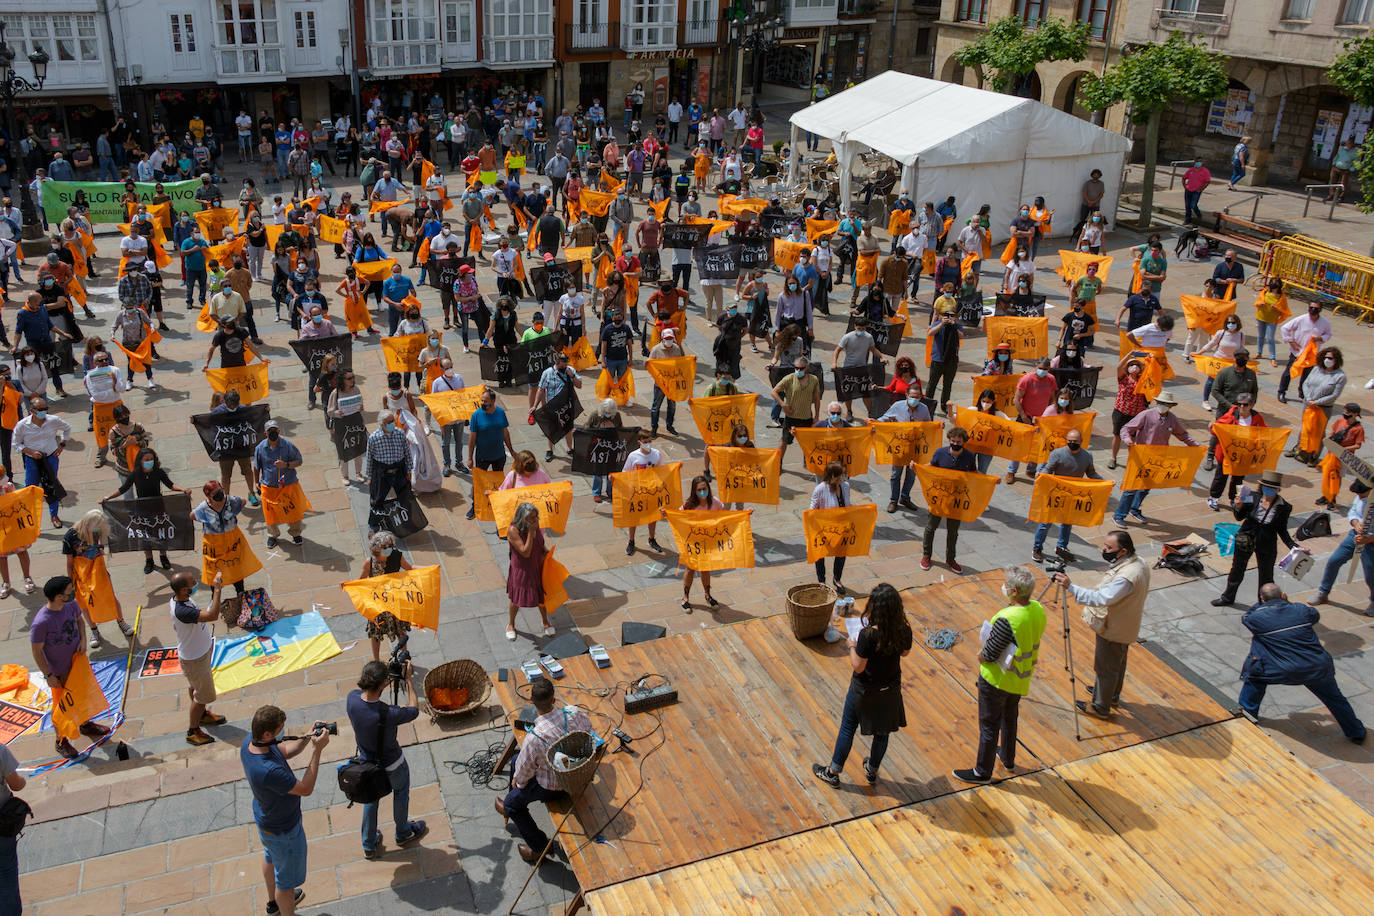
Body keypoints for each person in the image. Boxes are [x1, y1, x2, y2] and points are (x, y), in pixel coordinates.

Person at [952, 565, 1046, 785]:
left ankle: (981, 772)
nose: (1003, 586)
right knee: (1010, 718)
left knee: (989, 725)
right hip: (1020, 678)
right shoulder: (1038, 609)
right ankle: (1008, 758)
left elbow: (990, 653)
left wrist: (980, 655)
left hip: (996, 680)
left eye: (1007, 584)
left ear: (1014, 592)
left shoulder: (1008, 618)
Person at [812, 583, 913, 788]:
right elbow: (905, 653)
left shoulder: (868, 635)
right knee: (882, 732)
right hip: (890, 689)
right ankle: (872, 770)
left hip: (864, 690)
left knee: (848, 727)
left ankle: (832, 772)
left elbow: (858, 666)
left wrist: (851, 646)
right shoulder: (904, 630)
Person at [1238, 583, 1366, 742]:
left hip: (1281, 668)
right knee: (1335, 699)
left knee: (1255, 676)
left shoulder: (1256, 618)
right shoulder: (1301, 610)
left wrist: (1261, 604)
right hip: (1317, 666)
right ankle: (1356, 731)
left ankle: (1247, 716)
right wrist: (1288, 603)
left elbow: (1246, 618)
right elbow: (1314, 615)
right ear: (1283, 594)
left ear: (1262, 598)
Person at [1050, 530, 1149, 720]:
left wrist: (1071, 586)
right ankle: (1110, 695)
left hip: (1114, 626)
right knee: (1117, 662)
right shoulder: (1139, 563)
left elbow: (1102, 598)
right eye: (1105, 545)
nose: (1104, 549)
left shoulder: (1126, 576)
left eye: (1109, 547)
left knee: (1106, 666)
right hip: (1126, 623)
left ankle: (1100, 706)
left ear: (1123, 551)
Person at [241, 705, 330, 916]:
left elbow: (286, 750)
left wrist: (307, 738)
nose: (283, 731)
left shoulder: (250, 743)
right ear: (267, 734)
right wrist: (317, 751)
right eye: (281, 728)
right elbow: (306, 789)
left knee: (270, 858)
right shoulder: (269, 771)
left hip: (267, 821)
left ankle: (273, 904)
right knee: (286, 884)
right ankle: (284, 906)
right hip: (284, 830)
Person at [495, 677, 593, 863]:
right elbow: (588, 729)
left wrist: (518, 782)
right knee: (516, 759)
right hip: (575, 774)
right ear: (554, 700)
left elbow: (524, 773)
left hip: (553, 788)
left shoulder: (535, 737)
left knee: (512, 802)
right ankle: (513, 803)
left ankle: (539, 847)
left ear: (531, 702)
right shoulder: (573, 713)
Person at [346, 660, 429, 860]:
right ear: (383, 684)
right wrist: (408, 680)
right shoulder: (389, 713)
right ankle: (403, 832)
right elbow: (414, 709)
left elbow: (363, 695)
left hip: (367, 765)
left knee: (370, 799)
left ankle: (368, 843)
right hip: (393, 764)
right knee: (401, 794)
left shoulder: (352, 700)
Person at [30, 576, 112, 758]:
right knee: (62, 707)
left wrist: (83, 639)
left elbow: (80, 621)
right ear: (59, 596)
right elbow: (36, 652)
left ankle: (85, 724)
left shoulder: (71, 605)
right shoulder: (41, 622)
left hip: (77, 663)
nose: (72, 592)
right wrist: (48, 675)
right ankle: (61, 741)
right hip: (58, 671)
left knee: (81, 694)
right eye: (69, 590)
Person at [1213, 470, 1299, 607]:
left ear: (1277, 490)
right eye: (1266, 487)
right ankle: (1227, 597)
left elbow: (1282, 530)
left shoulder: (1284, 507)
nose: (1269, 490)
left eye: (1272, 488)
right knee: (1237, 570)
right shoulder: (1252, 496)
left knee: (1266, 576)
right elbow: (1239, 517)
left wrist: (1293, 546)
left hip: (1267, 542)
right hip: (1246, 538)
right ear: (1262, 487)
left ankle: (1265, 604)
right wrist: (1239, 506)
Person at [1113, 391, 1198, 525]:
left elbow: (1183, 435)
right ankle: (1119, 515)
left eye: (1166, 404)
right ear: (1157, 403)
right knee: (1131, 488)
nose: (1163, 406)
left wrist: (1196, 446)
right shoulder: (1146, 415)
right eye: (1161, 403)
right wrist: (1128, 440)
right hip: (1141, 457)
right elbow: (1126, 429)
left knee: (1146, 487)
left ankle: (1134, 509)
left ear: (1170, 406)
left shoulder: (1172, 419)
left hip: (1158, 459)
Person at [169, 570, 230, 746]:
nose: (196, 584)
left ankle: (201, 714)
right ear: (182, 590)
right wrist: (217, 590)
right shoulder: (182, 610)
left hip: (197, 654)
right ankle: (193, 730)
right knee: (202, 696)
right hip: (195, 659)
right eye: (192, 583)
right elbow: (212, 616)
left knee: (196, 687)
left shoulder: (180, 599)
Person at [63, 510, 135, 646]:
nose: (97, 531)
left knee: (110, 596)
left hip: (98, 569)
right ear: (87, 524)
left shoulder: (95, 530)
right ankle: (94, 630)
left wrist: (101, 548)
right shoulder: (70, 536)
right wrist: (70, 583)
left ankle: (121, 621)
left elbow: (100, 541)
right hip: (81, 574)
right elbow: (69, 563)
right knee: (85, 604)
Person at [1032, 429, 1101, 563]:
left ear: (1081, 441)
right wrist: (1041, 474)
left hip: (1073, 495)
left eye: (1075, 441)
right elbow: (1048, 468)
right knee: (1045, 523)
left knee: (1067, 523)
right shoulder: (1057, 453)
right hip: (1056, 494)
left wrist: (1105, 482)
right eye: (1069, 441)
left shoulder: (1087, 456)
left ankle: (1062, 547)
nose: (1072, 443)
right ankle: (1037, 548)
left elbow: (1092, 473)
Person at [921, 426, 976, 573]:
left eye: (959, 441)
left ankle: (951, 559)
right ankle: (926, 556)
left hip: (957, 499)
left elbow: (975, 474)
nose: (955, 444)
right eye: (953, 441)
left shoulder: (969, 456)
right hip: (940, 497)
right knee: (931, 527)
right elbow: (931, 467)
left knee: (953, 531)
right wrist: (918, 467)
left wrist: (991, 480)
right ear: (949, 440)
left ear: (964, 442)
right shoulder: (940, 453)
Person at [1315, 480, 1374, 615]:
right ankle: (1323, 591)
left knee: (1371, 575)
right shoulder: (1360, 497)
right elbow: (1353, 511)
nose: (1359, 497)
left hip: (1371, 543)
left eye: (1362, 494)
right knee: (1334, 561)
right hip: (1355, 536)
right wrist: (1355, 522)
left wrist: (1368, 539)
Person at [14, 396, 69, 527]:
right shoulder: (22, 425)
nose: (44, 411)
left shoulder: (53, 420)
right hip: (33, 460)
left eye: (45, 408)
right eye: (40, 409)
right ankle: (30, 516)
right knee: (31, 488)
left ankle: (54, 515)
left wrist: (62, 445)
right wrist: (31, 452)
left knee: (52, 486)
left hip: (50, 457)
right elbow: (15, 444)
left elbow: (67, 428)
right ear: (32, 410)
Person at [877, 383, 930, 514]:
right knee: (896, 474)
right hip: (899, 447)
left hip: (915, 448)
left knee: (911, 474)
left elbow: (929, 425)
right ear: (906, 395)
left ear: (921, 397)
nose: (914, 399)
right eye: (912, 396)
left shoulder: (924, 409)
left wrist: (939, 426)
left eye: (917, 397)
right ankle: (893, 500)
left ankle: (905, 497)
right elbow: (884, 418)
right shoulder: (897, 406)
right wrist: (874, 422)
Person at [1005, 359, 1058, 484]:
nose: (1042, 371)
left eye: (1045, 369)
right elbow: (1016, 399)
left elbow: (1052, 398)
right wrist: (1023, 415)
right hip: (1026, 416)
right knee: (1019, 445)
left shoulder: (1050, 379)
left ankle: (1031, 469)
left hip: (1041, 419)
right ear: (1036, 366)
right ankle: (1011, 471)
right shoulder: (1027, 379)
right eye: (1040, 368)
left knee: (1037, 445)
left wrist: (1051, 415)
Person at [506, 502, 554, 640]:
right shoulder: (513, 531)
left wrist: (545, 551)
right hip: (522, 569)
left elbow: (540, 542)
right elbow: (525, 552)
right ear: (522, 518)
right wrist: (531, 533)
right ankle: (511, 624)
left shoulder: (535, 525)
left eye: (536, 517)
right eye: (531, 518)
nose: (535, 520)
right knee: (516, 599)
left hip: (536, 565)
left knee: (541, 596)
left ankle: (545, 621)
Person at [254, 419, 305, 548]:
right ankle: (272, 535)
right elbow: (256, 466)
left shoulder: (288, 445)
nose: (273, 433)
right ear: (265, 433)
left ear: (279, 431)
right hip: (269, 486)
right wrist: (256, 481)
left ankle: (295, 533)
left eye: (275, 430)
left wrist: (286, 465)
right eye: (270, 431)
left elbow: (299, 461)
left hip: (288, 485)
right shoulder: (260, 448)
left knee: (293, 511)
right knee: (269, 514)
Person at [1276, 303, 1332, 405]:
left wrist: (1320, 338)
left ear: (1320, 310)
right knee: (1289, 372)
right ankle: (1281, 392)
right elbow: (1285, 328)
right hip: (1298, 352)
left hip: (1311, 354)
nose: (1313, 310)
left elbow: (1328, 334)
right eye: (1311, 308)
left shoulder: (1324, 322)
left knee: (1307, 375)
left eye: (1316, 308)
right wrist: (1291, 341)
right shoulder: (1301, 319)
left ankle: (1302, 393)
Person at [810, 462, 853, 595]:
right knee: (820, 553)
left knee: (841, 553)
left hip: (841, 527)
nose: (843, 477)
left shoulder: (845, 486)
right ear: (833, 476)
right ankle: (821, 580)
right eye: (841, 475)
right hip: (824, 528)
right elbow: (812, 508)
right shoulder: (820, 489)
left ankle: (837, 579)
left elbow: (848, 504)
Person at [621, 430, 666, 556]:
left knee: (653, 517)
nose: (648, 444)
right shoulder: (633, 456)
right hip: (636, 492)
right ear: (639, 442)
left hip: (652, 491)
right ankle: (631, 541)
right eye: (645, 442)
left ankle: (652, 539)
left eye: (650, 442)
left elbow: (663, 471)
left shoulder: (657, 454)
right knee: (634, 518)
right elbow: (625, 473)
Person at [772, 357, 821, 468]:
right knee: (785, 441)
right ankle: (778, 464)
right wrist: (783, 405)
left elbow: (817, 399)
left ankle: (808, 463)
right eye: (796, 368)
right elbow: (774, 392)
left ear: (806, 368)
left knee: (808, 443)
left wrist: (817, 416)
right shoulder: (789, 378)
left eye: (801, 368)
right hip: (791, 417)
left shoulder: (814, 380)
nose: (798, 371)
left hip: (806, 417)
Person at [533, 351, 582, 462]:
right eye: (562, 365)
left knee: (568, 427)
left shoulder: (571, 370)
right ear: (556, 362)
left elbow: (579, 385)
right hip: (552, 406)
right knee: (551, 429)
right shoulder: (547, 373)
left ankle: (570, 448)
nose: (564, 366)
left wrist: (572, 376)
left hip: (566, 406)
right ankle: (550, 450)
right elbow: (541, 389)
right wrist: (535, 405)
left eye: (566, 364)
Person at [1318, 403, 1363, 510]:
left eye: (1348, 413)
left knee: (1337, 477)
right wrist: (1329, 441)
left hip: (1344, 457)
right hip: (1331, 454)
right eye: (1345, 412)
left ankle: (1332, 498)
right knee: (1327, 475)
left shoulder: (1359, 428)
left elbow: (1357, 445)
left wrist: (1342, 450)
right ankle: (1326, 495)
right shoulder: (1340, 421)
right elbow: (1332, 432)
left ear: (1355, 414)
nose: (1345, 414)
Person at [924, 311, 963, 412]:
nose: (948, 318)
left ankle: (944, 406)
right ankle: (928, 405)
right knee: (932, 384)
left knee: (947, 385)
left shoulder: (957, 326)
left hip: (951, 361)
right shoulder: (938, 324)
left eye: (951, 316)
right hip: (938, 360)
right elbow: (930, 333)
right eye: (946, 315)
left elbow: (961, 336)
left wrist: (954, 326)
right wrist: (941, 324)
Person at [1181, 159, 1211, 224]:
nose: (1198, 163)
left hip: (1196, 191)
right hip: (1188, 190)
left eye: (1200, 162)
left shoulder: (1205, 171)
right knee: (1187, 205)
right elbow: (1184, 178)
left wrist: (1201, 189)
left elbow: (1207, 181)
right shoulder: (1191, 170)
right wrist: (1185, 186)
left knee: (1193, 205)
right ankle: (1187, 219)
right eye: (1197, 162)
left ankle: (1198, 214)